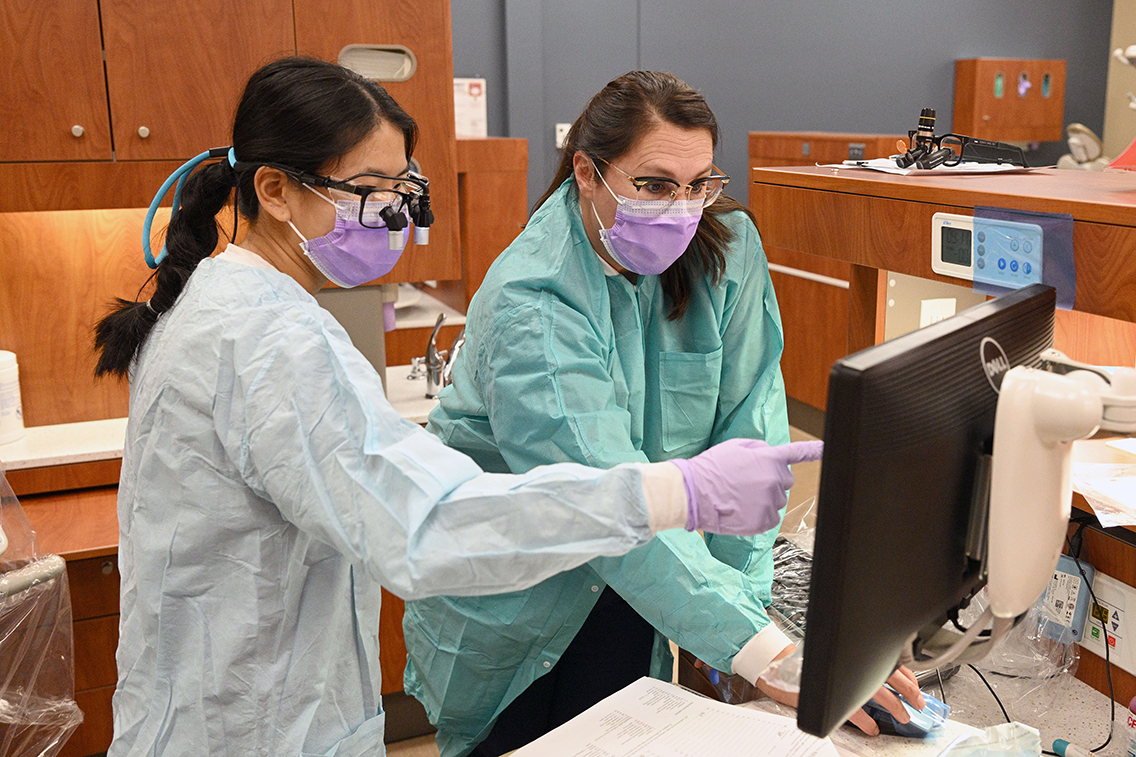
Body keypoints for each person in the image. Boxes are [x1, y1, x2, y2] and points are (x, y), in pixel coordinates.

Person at [91, 58, 816, 757]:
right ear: (275, 190)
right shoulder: (267, 339)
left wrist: (743, 615)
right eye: (369, 191)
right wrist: (674, 492)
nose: (392, 216)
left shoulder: (234, 308)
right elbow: (427, 524)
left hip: (248, 705)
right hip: (247, 724)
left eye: (400, 188)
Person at [402, 71, 923, 757]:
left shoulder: (725, 248)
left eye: (699, 183)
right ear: (587, 173)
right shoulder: (533, 299)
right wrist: (764, 652)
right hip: (518, 600)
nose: (681, 208)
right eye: (653, 185)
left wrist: (747, 620)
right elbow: (601, 496)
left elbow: (751, 443)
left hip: (649, 582)